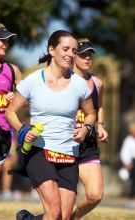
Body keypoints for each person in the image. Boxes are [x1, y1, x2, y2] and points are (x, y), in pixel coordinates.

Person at [5, 30, 96, 220]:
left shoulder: (80, 85)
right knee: (54, 211)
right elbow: (10, 112)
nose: (71, 54)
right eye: (65, 49)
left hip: (68, 154)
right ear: (51, 50)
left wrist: (86, 129)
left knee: (62, 217)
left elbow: (91, 114)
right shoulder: (33, 81)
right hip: (39, 151)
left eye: (73, 50)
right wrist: (23, 128)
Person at [71, 39, 108, 220]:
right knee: (61, 205)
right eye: (82, 54)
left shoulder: (97, 83)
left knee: (95, 195)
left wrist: (100, 126)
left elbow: (99, 107)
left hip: (88, 145)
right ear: (73, 56)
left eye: (89, 54)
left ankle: (73, 218)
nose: (87, 58)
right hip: (65, 145)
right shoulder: (63, 80)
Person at [0, 21, 22, 196]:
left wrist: (15, 98)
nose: (6, 44)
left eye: (8, 41)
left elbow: (26, 99)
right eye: (2, 40)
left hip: (3, 133)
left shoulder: (12, 70)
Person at [120, 122, 135, 198]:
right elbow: (124, 153)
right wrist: (127, 162)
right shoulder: (128, 140)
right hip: (132, 162)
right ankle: (131, 194)